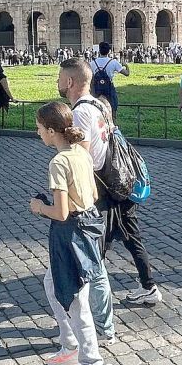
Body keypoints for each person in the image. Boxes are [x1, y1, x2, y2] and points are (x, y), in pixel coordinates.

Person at [30, 102, 108, 365]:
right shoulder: (81, 153)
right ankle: (69, 343)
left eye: (39, 128)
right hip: (88, 225)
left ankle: (92, 363)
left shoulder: (59, 162)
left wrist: (39, 208)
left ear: (52, 131)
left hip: (69, 233)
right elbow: (95, 195)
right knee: (53, 284)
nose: (37, 132)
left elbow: (60, 213)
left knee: (75, 301)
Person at [57, 58, 117, 343]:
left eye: (60, 77)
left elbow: (81, 158)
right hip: (101, 186)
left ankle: (98, 327)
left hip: (89, 192)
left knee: (92, 264)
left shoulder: (80, 112)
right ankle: (98, 324)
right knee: (94, 261)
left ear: (69, 81)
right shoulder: (98, 104)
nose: (57, 82)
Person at [89, 42, 129, 114]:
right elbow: (127, 73)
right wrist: (126, 66)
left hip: (96, 89)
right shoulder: (113, 62)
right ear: (109, 51)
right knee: (113, 108)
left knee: (95, 110)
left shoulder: (92, 63)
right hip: (109, 88)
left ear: (99, 50)